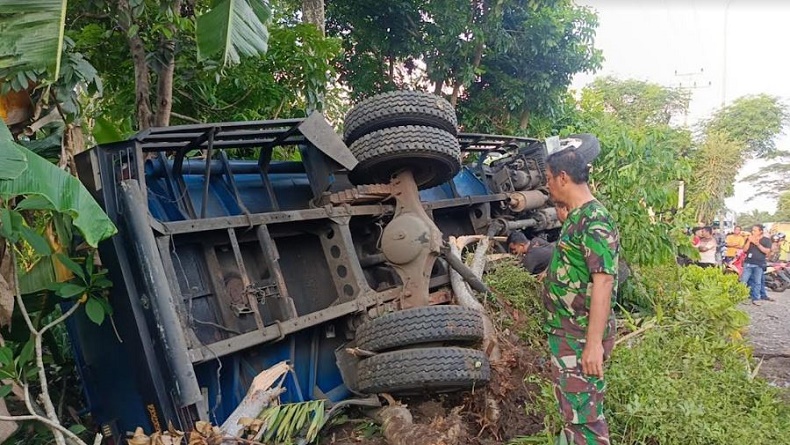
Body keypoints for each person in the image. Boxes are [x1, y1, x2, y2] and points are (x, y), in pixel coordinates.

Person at [543, 148, 619, 445]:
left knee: (585, 420)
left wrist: (593, 344)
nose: (547, 185)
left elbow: (604, 281)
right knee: (573, 413)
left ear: (563, 178)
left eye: (549, 178)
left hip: (580, 338)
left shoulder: (594, 220)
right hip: (567, 335)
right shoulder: (576, 218)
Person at [740, 224, 774, 305]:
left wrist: (758, 244)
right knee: (744, 280)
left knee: (757, 282)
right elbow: (744, 250)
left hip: (759, 264)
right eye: (752, 230)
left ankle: (756, 298)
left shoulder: (766, 240)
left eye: (755, 230)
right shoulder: (749, 239)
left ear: (760, 231)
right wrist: (749, 241)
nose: (753, 232)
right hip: (748, 263)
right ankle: (741, 296)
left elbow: (766, 251)